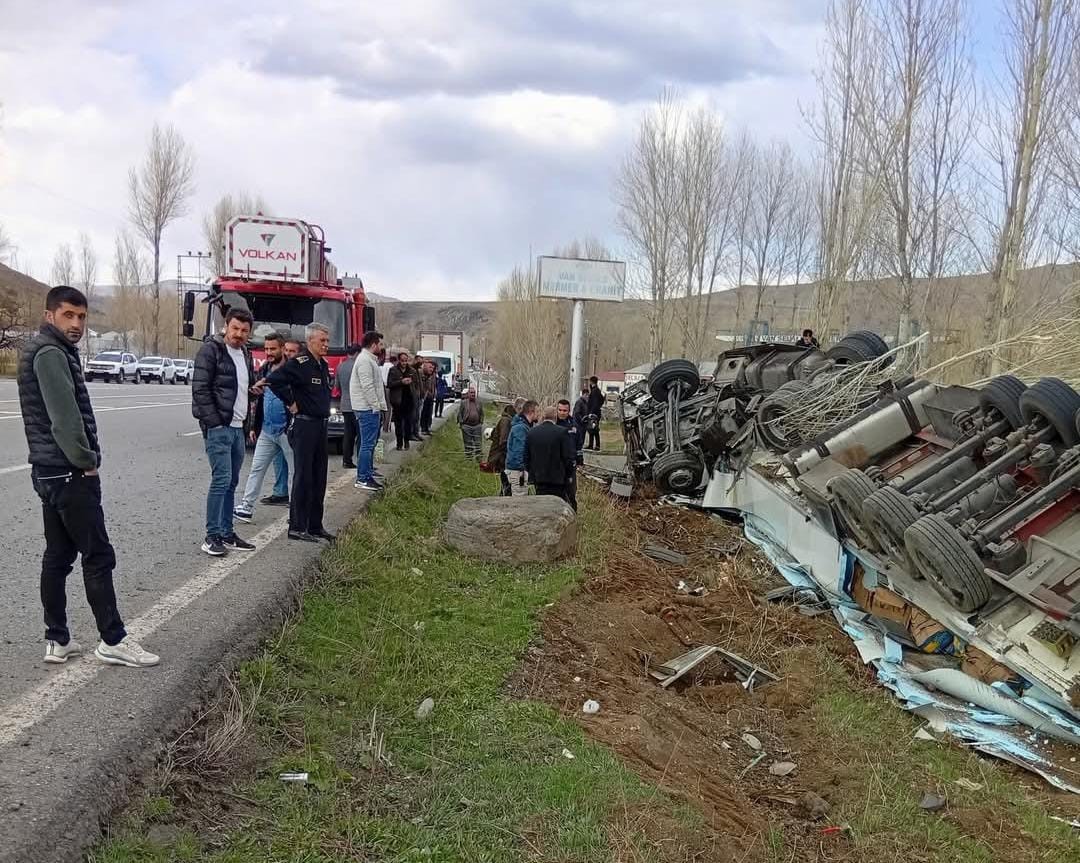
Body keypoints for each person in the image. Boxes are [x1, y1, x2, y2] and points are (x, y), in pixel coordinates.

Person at [17, 285, 159, 668]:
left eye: (81, 316)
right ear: (50, 315)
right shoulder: (50, 353)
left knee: (58, 555)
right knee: (98, 555)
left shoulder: (49, 349)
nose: (77, 323)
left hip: (47, 470)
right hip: (67, 472)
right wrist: (86, 460)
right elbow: (65, 419)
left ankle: (57, 639)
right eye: (68, 315)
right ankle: (113, 639)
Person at [192, 307, 258, 557]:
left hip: (238, 427)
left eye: (244, 330)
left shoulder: (245, 353)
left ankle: (227, 532)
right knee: (221, 480)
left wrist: (254, 391)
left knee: (231, 482)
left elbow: (239, 387)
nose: (238, 334)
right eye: (235, 328)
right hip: (219, 428)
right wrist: (215, 422)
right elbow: (200, 389)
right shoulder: (212, 350)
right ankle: (212, 536)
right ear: (226, 326)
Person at [267, 323, 336, 543]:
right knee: (304, 477)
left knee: (319, 478)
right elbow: (275, 381)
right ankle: (297, 526)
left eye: (327, 340)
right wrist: (291, 402)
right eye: (322, 341)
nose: (326, 344)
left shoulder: (322, 365)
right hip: (304, 425)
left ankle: (315, 525)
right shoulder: (300, 363)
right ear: (310, 342)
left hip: (320, 425)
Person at [233, 332, 294, 524]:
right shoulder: (264, 369)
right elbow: (257, 401)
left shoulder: (292, 371)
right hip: (267, 430)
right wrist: (253, 425)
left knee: (295, 472)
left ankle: (297, 513)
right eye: (266, 348)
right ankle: (246, 507)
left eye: (272, 349)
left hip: (286, 430)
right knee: (256, 469)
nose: (268, 352)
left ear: (282, 349)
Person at [349, 330, 387, 492]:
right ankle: (363, 478)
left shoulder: (369, 359)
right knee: (367, 444)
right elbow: (368, 386)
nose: (381, 347)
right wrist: (375, 406)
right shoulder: (365, 360)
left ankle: (368, 471)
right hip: (367, 409)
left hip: (369, 408)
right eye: (380, 344)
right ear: (373, 345)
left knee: (370, 443)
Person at [525, 406, 577, 504]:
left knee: (541, 504)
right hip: (557, 479)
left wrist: (532, 471)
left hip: (538, 478)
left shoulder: (532, 432)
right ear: (555, 417)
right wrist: (569, 475)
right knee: (556, 505)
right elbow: (567, 457)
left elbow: (526, 457)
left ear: (543, 416)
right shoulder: (562, 432)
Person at [487, 398, 522, 496]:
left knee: (506, 486)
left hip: (504, 459)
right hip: (503, 459)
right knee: (507, 486)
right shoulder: (506, 421)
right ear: (518, 409)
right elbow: (504, 442)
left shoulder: (509, 419)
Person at [505, 400, 538, 496]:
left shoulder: (524, 426)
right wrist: (522, 471)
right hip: (518, 471)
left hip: (518, 470)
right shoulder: (521, 428)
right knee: (519, 499)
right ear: (532, 412)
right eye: (538, 412)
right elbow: (519, 451)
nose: (539, 415)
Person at [336, 343, 361, 469]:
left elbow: (337, 387)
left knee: (348, 434)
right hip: (358, 405)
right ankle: (362, 461)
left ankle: (347, 460)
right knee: (361, 434)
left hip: (345, 404)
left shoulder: (340, 366)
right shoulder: (358, 366)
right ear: (357, 353)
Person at [555, 398, 583, 511]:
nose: (562, 413)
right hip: (556, 465)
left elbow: (579, 445)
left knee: (571, 494)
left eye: (564, 410)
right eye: (560, 410)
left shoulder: (574, 427)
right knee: (556, 494)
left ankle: (573, 517)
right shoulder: (553, 424)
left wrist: (580, 461)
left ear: (569, 411)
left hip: (570, 466)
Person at [387, 352, 416, 450]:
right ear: (399, 360)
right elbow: (389, 384)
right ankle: (399, 443)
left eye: (406, 361)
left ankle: (407, 441)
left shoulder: (412, 370)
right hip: (398, 401)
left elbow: (416, 384)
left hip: (409, 400)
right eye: (402, 361)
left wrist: (416, 394)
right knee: (398, 423)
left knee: (408, 422)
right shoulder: (393, 370)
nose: (404, 363)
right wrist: (401, 382)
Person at [457, 385, 485, 460]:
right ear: (468, 394)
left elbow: (482, 413)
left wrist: (481, 423)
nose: (473, 394)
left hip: (477, 426)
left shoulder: (479, 402)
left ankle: (478, 458)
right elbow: (460, 414)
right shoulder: (464, 403)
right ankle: (469, 458)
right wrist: (461, 424)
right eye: (471, 393)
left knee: (478, 443)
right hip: (466, 426)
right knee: (468, 443)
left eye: (474, 393)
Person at [586, 376, 605, 450]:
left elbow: (595, 403)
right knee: (592, 428)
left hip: (594, 413)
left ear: (591, 381)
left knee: (594, 429)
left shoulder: (595, 391)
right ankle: (591, 444)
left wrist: (592, 412)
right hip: (596, 412)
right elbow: (602, 400)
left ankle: (597, 445)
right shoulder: (596, 390)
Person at [419, 360, 437, 434]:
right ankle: (423, 428)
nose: (432, 369)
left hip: (431, 396)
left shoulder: (433, 375)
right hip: (426, 395)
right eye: (430, 367)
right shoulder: (424, 375)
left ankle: (428, 427)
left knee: (429, 412)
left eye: (433, 368)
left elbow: (433, 384)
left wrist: (434, 392)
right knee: (424, 412)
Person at [409, 358, 425, 441]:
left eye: (421, 360)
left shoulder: (418, 371)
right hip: (413, 397)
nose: (420, 362)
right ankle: (411, 434)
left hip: (419, 396)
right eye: (418, 360)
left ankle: (416, 433)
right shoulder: (411, 370)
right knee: (413, 416)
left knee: (417, 416)